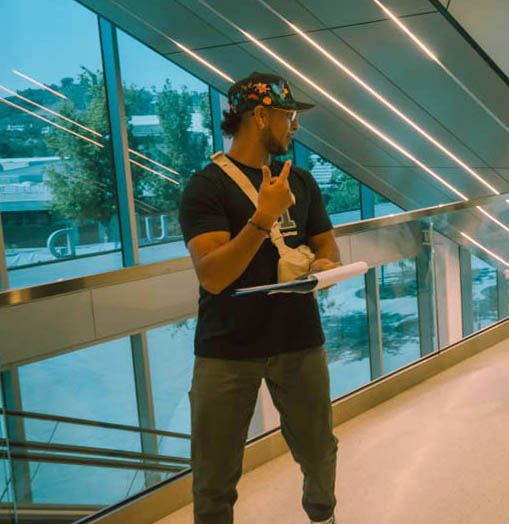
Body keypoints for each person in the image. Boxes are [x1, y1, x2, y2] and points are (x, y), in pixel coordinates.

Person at [179, 72, 339, 524]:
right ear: (261, 115)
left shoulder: (301, 181)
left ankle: (323, 517)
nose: (295, 126)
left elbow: (327, 245)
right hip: (226, 348)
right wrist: (263, 215)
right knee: (214, 474)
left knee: (319, 450)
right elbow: (212, 275)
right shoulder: (206, 187)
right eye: (289, 116)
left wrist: (325, 264)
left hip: (299, 339)